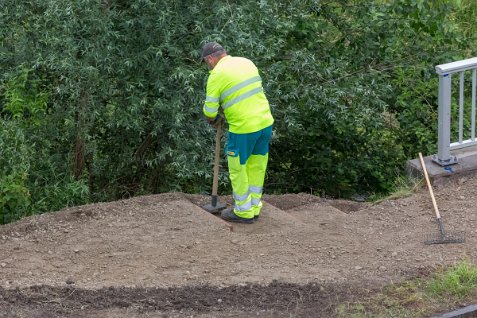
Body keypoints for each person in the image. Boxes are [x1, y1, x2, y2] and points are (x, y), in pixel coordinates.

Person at [201, 41, 274, 224]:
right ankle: (254, 208)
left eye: (205, 62)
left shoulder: (216, 75)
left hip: (243, 128)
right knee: (257, 166)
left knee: (238, 168)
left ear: (210, 58)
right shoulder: (246, 62)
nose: (207, 66)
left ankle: (243, 212)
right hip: (265, 123)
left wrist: (214, 119)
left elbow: (209, 111)